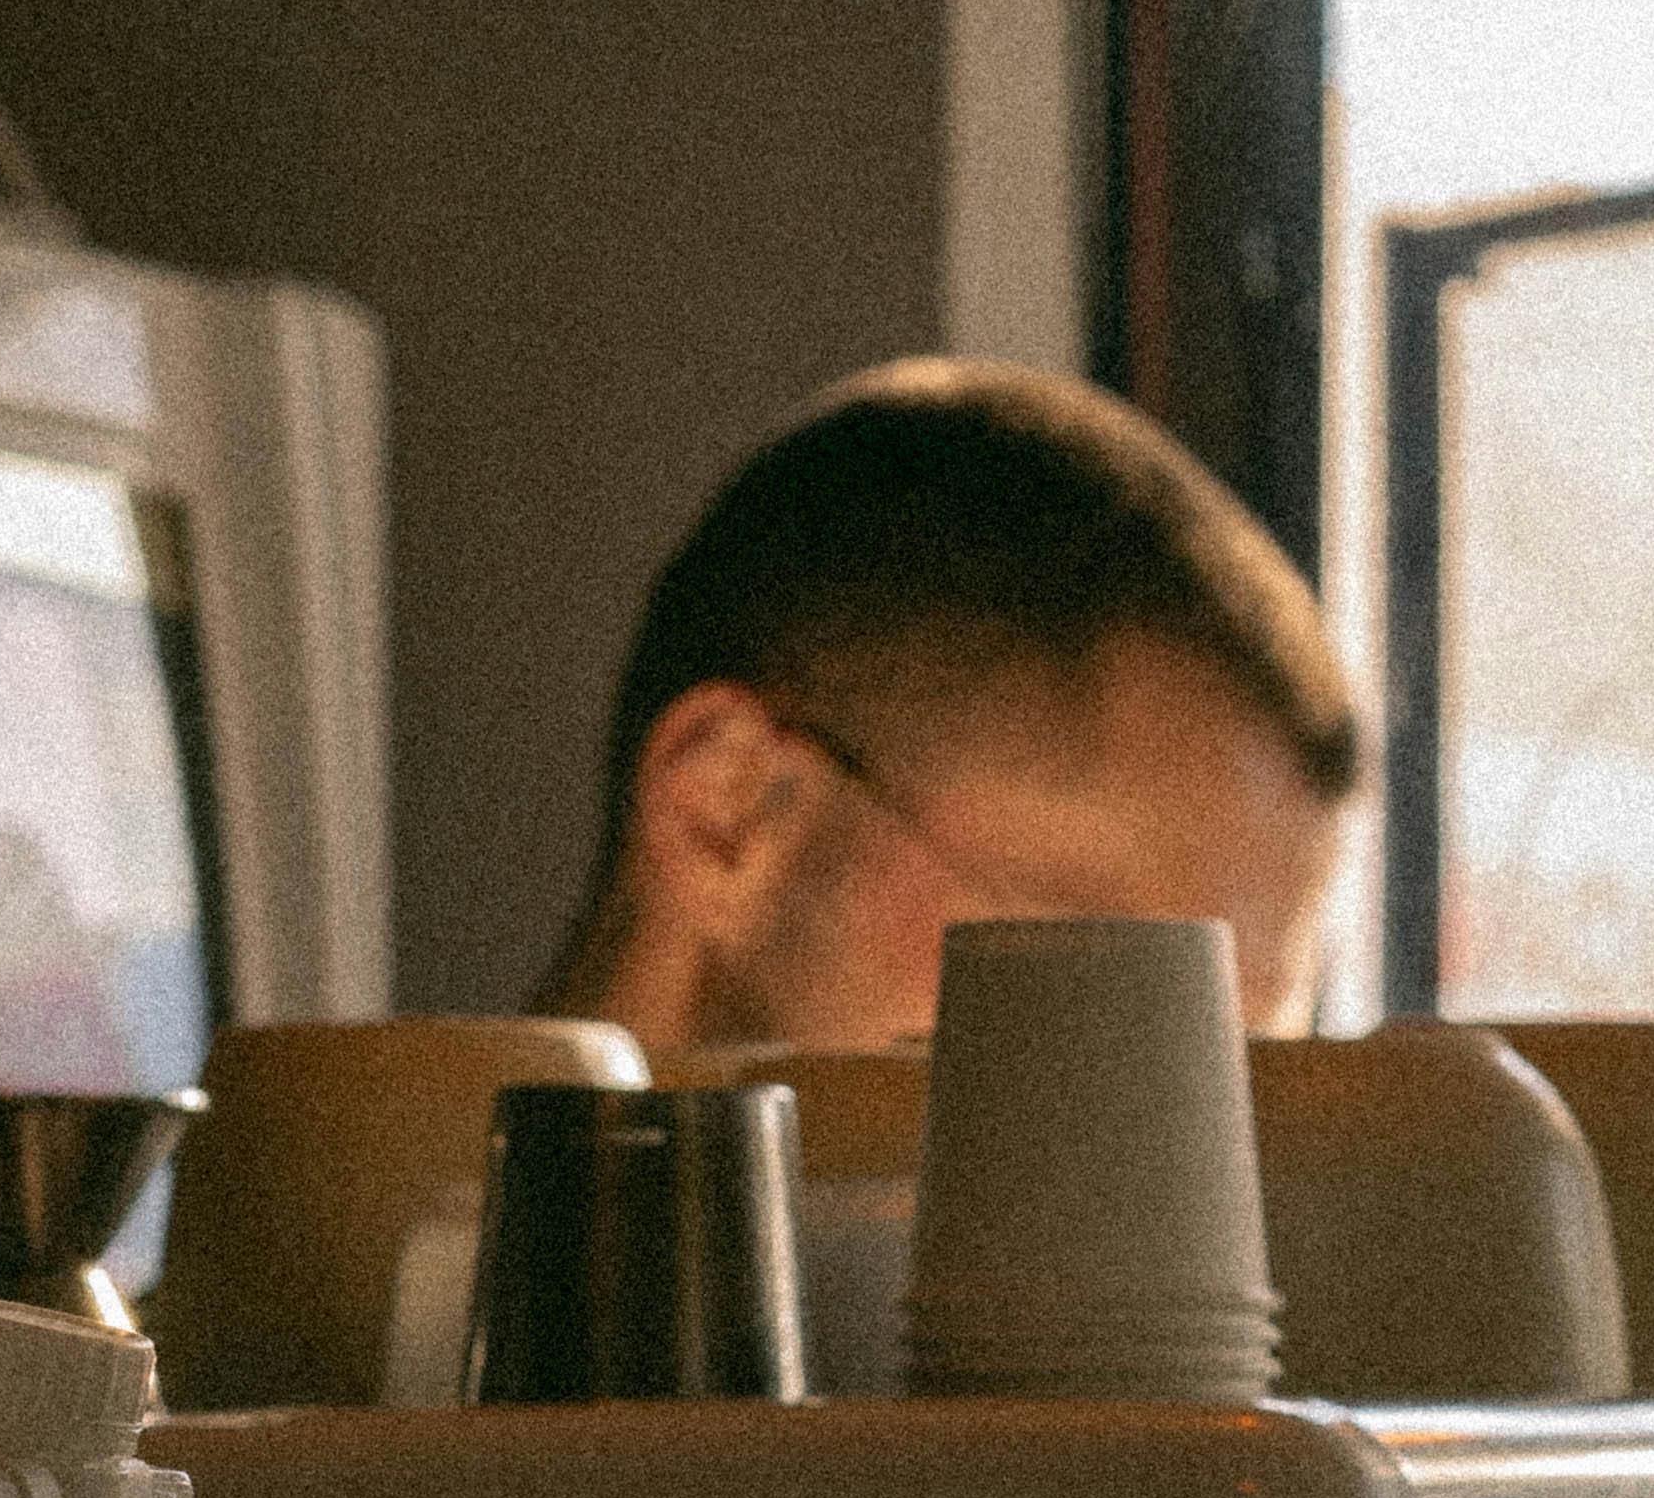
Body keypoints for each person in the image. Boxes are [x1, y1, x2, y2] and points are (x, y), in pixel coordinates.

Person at [542, 359, 1361, 1054]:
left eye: (1253, 1074)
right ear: (726, 812)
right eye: (1114, 1000)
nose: (1201, 1167)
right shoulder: (421, 1233)